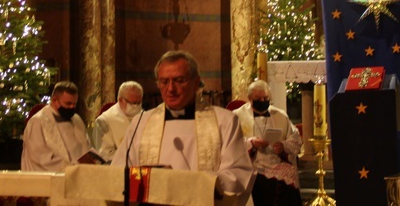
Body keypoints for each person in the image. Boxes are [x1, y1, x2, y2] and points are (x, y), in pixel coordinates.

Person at [112, 51, 253, 204]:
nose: (171, 88)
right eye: (164, 81)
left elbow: (237, 172)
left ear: (196, 82)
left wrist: (191, 185)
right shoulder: (141, 122)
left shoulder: (225, 121)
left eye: (179, 80)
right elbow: (120, 171)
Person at [234, 80, 302, 205]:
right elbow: (231, 143)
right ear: (249, 98)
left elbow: (295, 139)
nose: (262, 101)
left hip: (276, 161)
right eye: (258, 99)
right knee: (262, 183)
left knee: (288, 177)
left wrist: (283, 146)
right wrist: (251, 143)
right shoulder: (237, 116)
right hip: (252, 164)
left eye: (265, 98)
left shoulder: (280, 115)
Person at [21, 80, 91, 171]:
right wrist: (71, 168)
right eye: (68, 103)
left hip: (78, 174)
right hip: (48, 178)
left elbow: (86, 145)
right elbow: (40, 156)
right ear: (54, 100)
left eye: (74, 104)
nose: (72, 107)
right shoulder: (37, 122)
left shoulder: (76, 119)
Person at [93, 81, 144, 162]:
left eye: (139, 103)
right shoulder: (104, 120)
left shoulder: (143, 116)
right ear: (120, 100)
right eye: (133, 103)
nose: (136, 107)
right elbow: (105, 154)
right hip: (117, 168)